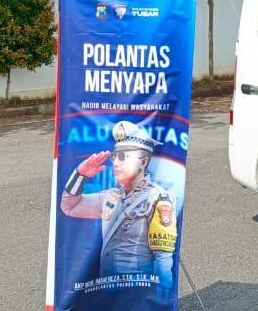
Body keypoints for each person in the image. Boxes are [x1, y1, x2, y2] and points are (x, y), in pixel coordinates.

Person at [61, 121, 177, 289]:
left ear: (143, 162)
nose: (115, 162)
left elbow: (163, 256)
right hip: (108, 287)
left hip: (137, 289)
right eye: (115, 156)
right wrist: (80, 175)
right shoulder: (110, 196)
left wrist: (161, 296)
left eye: (123, 157)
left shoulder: (158, 198)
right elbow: (70, 207)